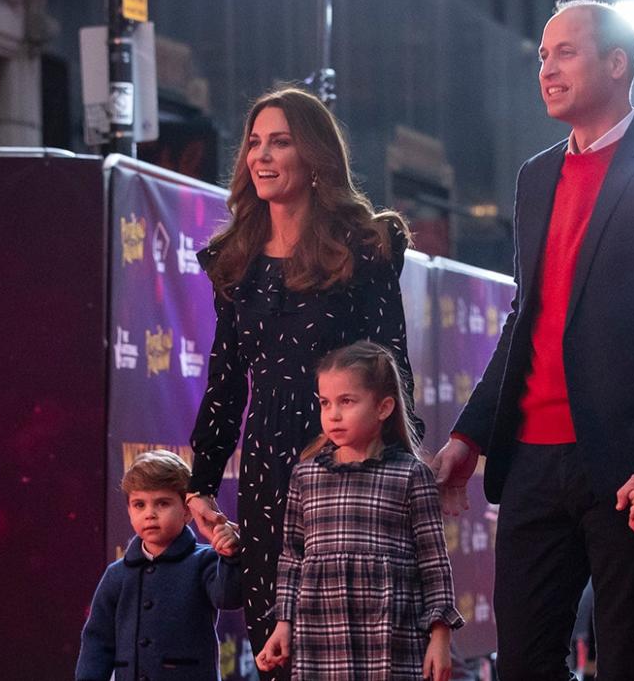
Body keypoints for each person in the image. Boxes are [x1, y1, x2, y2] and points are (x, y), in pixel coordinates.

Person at [428, 0, 634, 679]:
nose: (547, 68)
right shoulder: (536, 177)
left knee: (627, 658)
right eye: (542, 55)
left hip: (629, 466)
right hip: (532, 461)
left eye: (565, 52)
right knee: (524, 663)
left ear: (617, 64)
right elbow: (525, 317)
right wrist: (468, 435)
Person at [185, 86, 421, 679]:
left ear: (313, 156)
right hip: (266, 470)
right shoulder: (234, 260)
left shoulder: (363, 248)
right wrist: (201, 485)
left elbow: (393, 362)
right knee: (278, 645)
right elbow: (225, 381)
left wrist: (405, 462)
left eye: (280, 142)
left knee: (353, 647)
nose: (261, 156)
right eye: (254, 143)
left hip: (349, 464)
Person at [256, 341, 463, 679]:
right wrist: (283, 622)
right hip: (320, 636)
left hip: (391, 637)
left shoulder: (411, 475)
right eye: (325, 403)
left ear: (383, 408)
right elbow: (293, 557)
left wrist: (440, 636)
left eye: (347, 401)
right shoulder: (306, 475)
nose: (333, 415)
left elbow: (433, 561)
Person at [76, 450, 242, 681]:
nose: (149, 514)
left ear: (187, 511)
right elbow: (97, 640)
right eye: (139, 505)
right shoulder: (116, 574)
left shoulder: (204, 561)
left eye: (162, 503)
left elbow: (229, 598)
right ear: (129, 510)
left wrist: (231, 557)